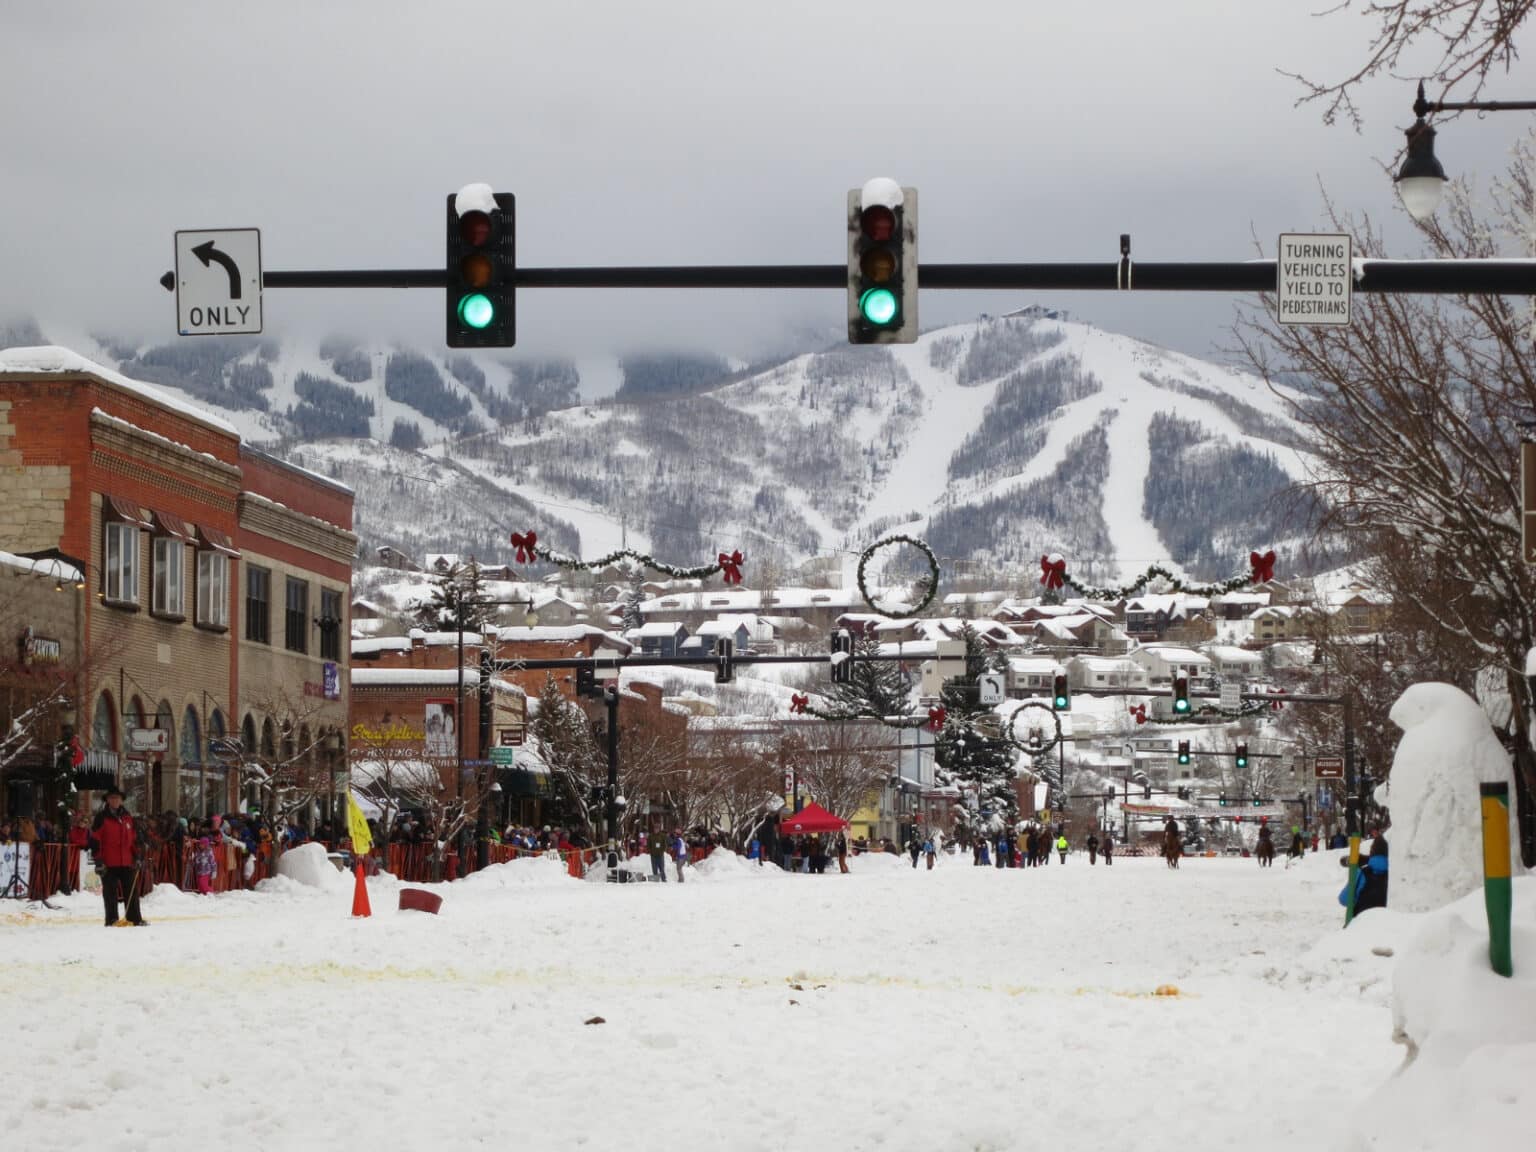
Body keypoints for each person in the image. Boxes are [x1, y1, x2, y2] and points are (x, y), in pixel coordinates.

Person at [92, 788, 146, 926]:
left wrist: (138, 856)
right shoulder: (101, 818)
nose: (115, 800)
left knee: (132, 892)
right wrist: (98, 860)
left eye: (117, 798)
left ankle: (135, 919)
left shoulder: (128, 817)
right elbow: (95, 840)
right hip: (108, 862)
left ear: (121, 800)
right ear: (107, 800)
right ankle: (111, 920)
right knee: (110, 894)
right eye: (112, 798)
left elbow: (134, 840)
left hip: (127, 861)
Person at [1340, 835, 1389, 912]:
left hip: (1362, 921)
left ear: (1372, 852)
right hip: (1388, 921)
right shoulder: (1394, 875)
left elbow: (1344, 900)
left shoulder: (1362, 874)